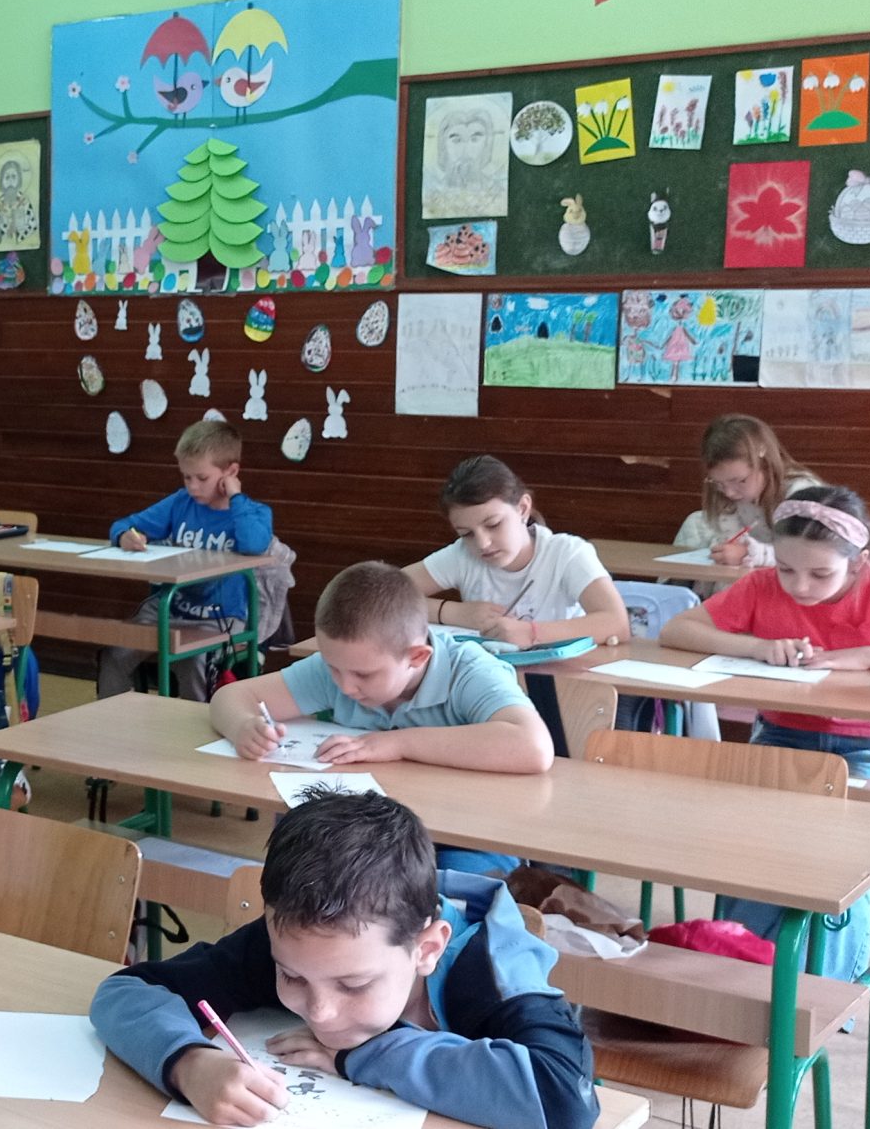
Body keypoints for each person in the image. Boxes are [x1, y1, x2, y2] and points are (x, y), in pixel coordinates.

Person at [90, 791, 596, 1129]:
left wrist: (362, 1054)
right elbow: (126, 991)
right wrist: (188, 1063)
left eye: (354, 985)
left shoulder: (495, 972)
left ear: (427, 949)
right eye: (291, 977)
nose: (321, 1011)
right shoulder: (300, 939)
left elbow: (566, 1100)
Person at [660, 485, 870, 980]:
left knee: (841, 853)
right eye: (786, 569)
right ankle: (743, 982)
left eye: (820, 574)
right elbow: (677, 630)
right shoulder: (762, 586)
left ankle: (822, 995)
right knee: (753, 846)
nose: (800, 586)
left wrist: (867, 656)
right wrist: (756, 646)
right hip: (783, 740)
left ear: (859, 562)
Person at [211, 562, 549, 873]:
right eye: (333, 668)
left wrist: (395, 744)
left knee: (454, 894)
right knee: (308, 876)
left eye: (364, 675)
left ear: (417, 657)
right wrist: (243, 726)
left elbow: (533, 747)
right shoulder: (344, 667)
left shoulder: (470, 670)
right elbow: (232, 696)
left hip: (469, 835)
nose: (345, 686)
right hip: (369, 836)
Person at [402, 456, 630, 755]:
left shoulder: (566, 553)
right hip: (490, 689)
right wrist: (452, 611)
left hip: (562, 689)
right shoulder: (462, 556)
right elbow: (382, 595)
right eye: (466, 534)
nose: (482, 543)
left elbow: (616, 622)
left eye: (493, 525)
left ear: (522, 508)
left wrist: (532, 632)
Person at [98, 418, 275, 701]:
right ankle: (109, 718)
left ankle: (194, 725)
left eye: (202, 478)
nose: (193, 486)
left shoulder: (254, 512)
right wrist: (124, 537)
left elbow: (254, 545)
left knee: (193, 661)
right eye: (186, 477)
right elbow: (123, 524)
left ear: (231, 472)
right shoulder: (180, 503)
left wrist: (235, 496)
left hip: (220, 617)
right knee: (115, 653)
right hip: (170, 609)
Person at [675, 414, 820, 568]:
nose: (729, 493)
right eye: (719, 483)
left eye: (739, 481)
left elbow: (813, 554)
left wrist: (749, 554)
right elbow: (731, 545)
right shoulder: (727, 496)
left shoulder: (801, 494)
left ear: (763, 461)